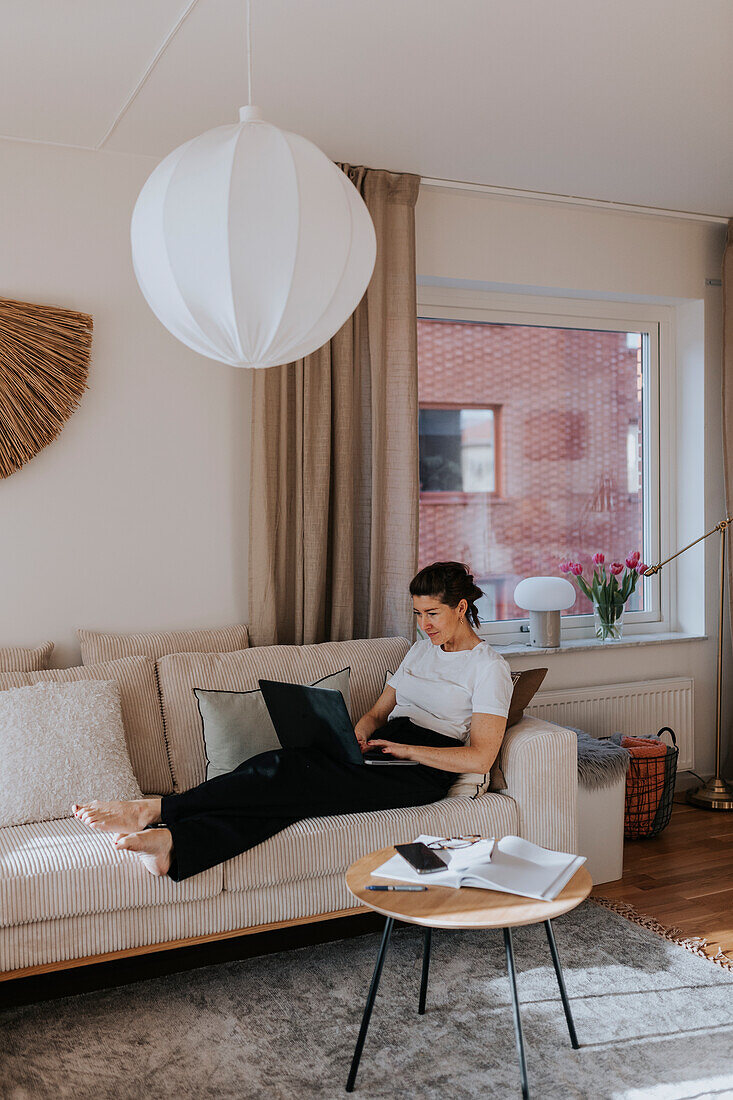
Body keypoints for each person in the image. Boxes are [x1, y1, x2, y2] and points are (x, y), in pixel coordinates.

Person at [73, 562, 514, 881]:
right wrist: (358, 732)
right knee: (289, 782)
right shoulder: (420, 650)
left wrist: (405, 750)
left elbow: (480, 755)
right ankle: (175, 846)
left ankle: (157, 810)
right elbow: (379, 712)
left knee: (285, 771)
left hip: (421, 769)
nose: (423, 625)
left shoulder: (487, 668)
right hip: (385, 747)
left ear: (460, 607)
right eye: (417, 614)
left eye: (432, 614)